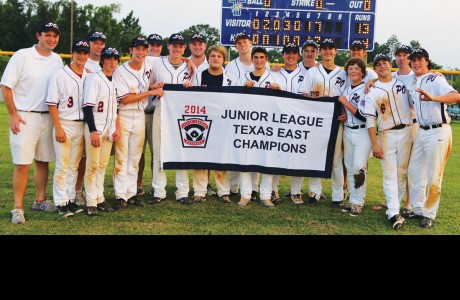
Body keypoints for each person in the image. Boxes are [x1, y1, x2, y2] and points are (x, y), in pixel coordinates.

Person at [1, 21, 63, 224]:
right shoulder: (23, 55)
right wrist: (13, 114)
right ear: (38, 35)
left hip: (48, 116)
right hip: (25, 116)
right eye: (48, 35)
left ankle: (40, 200)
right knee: (23, 163)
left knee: (43, 161)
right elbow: (6, 86)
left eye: (55, 36)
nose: (52, 39)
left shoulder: (57, 61)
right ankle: (17, 207)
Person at [403, 48, 460, 228]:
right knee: (414, 172)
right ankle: (418, 208)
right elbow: (387, 76)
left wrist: (433, 98)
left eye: (420, 59)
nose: (416, 63)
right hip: (422, 130)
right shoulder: (411, 80)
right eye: (413, 60)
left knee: (434, 174)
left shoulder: (436, 79)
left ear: (427, 61)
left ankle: (429, 214)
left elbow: (455, 96)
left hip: (438, 130)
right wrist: (371, 81)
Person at [360, 53, 414, 229]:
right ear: (374, 69)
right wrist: (374, 143)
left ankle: (395, 207)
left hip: (406, 130)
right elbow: (369, 120)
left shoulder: (402, 82)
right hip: (386, 134)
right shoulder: (371, 91)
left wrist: (437, 74)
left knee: (402, 172)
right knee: (389, 173)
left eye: (385, 63)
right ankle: (393, 212)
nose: (382, 66)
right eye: (378, 64)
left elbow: (418, 78)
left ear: (390, 65)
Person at [112, 37, 165, 210]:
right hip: (125, 114)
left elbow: (146, 86)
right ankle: (120, 195)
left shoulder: (147, 66)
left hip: (139, 115)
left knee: (135, 156)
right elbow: (126, 99)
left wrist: (153, 86)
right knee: (122, 156)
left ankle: (131, 193)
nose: (141, 52)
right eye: (137, 49)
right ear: (131, 50)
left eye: (143, 49)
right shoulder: (120, 71)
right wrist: (151, 92)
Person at [299, 38, 348, 207]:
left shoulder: (343, 73)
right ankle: (314, 192)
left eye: (331, 48)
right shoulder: (312, 72)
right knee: (315, 156)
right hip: (315, 121)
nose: (328, 51)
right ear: (321, 52)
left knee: (336, 159)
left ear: (335, 52)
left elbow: (347, 98)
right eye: (325, 48)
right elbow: (303, 93)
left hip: (335, 120)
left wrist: (345, 112)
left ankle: (337, 195)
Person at [148, 33, 194, 205]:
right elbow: (148, 85)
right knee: (159, 151)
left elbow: (195, 92)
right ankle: (158, 191)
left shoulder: (189, 67)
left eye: (180, 46)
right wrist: (154, 87)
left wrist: (191, 86)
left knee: (181, 151)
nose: (177, 48)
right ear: (168, 46)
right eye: (174, 45)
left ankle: (182, 192)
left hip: (182, 114)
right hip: (161, 110)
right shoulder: (157, 63)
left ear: (184, 48)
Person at [46, 40, 91, 218]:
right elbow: (52, 104)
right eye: (78, 52)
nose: (81, 56)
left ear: (88, 55)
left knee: (73, 166)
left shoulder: (89, 75)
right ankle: (60, 201)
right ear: (72, 53)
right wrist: (58, 128)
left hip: (81, 125)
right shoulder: (60, 74)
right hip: (64, 123)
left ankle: (70, 198)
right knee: (62, 165)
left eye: (85, 53)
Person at [260, 42, 305, 206]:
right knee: (275, 155)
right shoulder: (274, 74)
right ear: (283, 55)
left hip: (298, 121)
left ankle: (296, 191)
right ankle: (273, 189)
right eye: (287, 53)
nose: (290, 55)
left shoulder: (305, 73)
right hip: (277, 121)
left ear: (298, 56)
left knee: (297, 155)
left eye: (294, 53)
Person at [225, 32, 269, 200]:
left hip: (259, 115)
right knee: (237, 151)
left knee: (256, 151)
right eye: (239, 42)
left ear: (250, 43)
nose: (242, 44)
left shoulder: (265, 66)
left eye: (245, 41)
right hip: (239, 114)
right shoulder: (231, 66)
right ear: (235, 46)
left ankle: (255, 188)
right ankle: (234, 187)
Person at [372, 44, 416, 212]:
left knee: (409, 167)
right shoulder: (394, 76)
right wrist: (372, 80)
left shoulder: (415, 75)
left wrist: (437, 74)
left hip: (415, 122)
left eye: (405, 54)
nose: (402, 57)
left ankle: (409, 203)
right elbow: (382, 79)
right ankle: (393, 202)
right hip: (395, 126)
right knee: (395, 168)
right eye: (399, 54)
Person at [193, 45, 238, 204]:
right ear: (208, 57)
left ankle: (223, 192)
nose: (216, 59)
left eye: (219, 56)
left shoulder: (231, 78)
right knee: (200, 157)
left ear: (223, 59)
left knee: (221, 157)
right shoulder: (199, 76)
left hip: (223, 121)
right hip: (202, 120)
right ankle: (199, 191)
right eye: (212, 56)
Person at [236, 46, 279, 208]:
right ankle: (245, 194)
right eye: (256, 57)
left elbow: (283, 104)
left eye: (262, 57)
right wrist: (242, 88)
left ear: (266, 59)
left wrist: (278, 90)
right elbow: (234, 100)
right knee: (245, 160)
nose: (259, 60)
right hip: (248, 124)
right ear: (252, 59)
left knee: (267, 160)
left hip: (268, 126)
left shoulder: (275, 78)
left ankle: (266, 195)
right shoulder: (244, 77)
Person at [82, 46, 121, 216]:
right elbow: (88, 107)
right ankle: (91, 202)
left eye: (114, 59)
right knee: (92, 166)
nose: (112, 62)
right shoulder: (94, 78)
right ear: (102, 60)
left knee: (102, 166)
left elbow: (115, 108)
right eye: (108, 58)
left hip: (108, 129)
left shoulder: (114, 81)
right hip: (95, 129)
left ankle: (99, 198)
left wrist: (116, 128)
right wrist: (92, 131)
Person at [74, 30, 108, 207]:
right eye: (95, 43)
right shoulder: (82, 61)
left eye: (102, 43)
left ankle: (92, 192)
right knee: (80, 157)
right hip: (79, 116)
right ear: (89, 45)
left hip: (98, 119)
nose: (99, 46)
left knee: (94, 159)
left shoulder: (107, 62)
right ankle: (78, 190)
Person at [338, 58, 371, 216]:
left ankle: (358, 202)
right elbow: (346, 109)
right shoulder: (347, 89)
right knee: (350, 167)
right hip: (348, 130)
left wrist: (346, 103)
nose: (353, 71)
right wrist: (343, 113)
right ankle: (353, 200)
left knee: (359, 167)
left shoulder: (366, 88)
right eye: (350, 68)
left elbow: (363, 116)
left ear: (362, 72)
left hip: (362, 131)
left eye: (356, 68)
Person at [137, 33, 163, 196]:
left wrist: (188, 60)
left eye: (157, 45)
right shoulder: (139, 60)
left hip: (155, 112)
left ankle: (155, 184)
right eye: (151, 44)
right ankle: (137, 184)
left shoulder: (164, 62)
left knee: (156, 151)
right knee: (138, 152)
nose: (154, 47)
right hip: (139, 111)